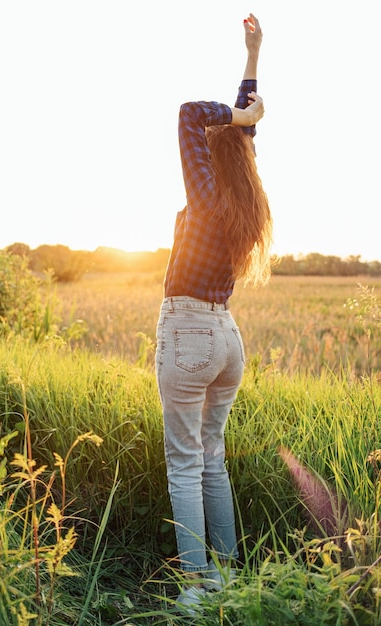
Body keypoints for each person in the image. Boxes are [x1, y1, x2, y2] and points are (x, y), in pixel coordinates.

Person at [155, 13, 272, 613]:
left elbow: (188, 114)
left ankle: (197, 591)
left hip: (189, 333)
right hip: (227, 340)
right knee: (211, 458)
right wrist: (252, 58)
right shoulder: (240, 195)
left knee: (184, 464)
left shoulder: (205, 194)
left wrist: (244, 115)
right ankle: (227, 576)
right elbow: (236, 132)